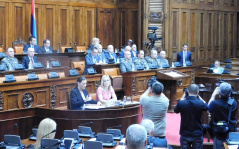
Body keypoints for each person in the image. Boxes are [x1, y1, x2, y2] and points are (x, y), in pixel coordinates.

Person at [174, 84, 208, 149]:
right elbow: (206, 106)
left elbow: (176, 110)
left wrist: (183, 96)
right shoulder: (200, 103)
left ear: (188, 92)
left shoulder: (181, 103)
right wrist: (199, 96)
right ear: (198, 92)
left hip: (185, 133)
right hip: (197, 133)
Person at [208, 83, 237, 149]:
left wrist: (213, 94)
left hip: (219, 132)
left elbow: (208, 108)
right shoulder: (234, 102)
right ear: (230, 92)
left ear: (219, 92)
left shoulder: (214, 103)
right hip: (230, 132)